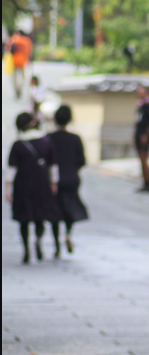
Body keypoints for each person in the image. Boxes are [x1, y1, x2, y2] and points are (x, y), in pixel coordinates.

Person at [6, 112, 61, 263]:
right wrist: (53, 183)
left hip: (22, 184)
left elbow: (11, 168)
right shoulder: (46, 142)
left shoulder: (18, 144)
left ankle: (26, 249)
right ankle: (38, 240)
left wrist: (7, 188)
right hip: (41, 183)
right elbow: (53, 165)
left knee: (24, 218)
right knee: (39, 216)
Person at [49, 105, 89, 254]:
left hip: (55, 180)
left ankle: (56, 244)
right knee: (70, 207)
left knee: (55, 211)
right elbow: (82, 160)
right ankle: (68, 233)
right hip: (72, 178)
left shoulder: (49, 138)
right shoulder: (75, 138)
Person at [133, 84, 149, 193]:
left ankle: (148, 183)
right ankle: (144, 182)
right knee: (141, 159)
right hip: (139, 135)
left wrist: (146, 135)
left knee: (144, 159)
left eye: (142, 92)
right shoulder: (140, 106)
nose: (140, 94)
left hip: (145, 136)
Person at [7, 30, 32, 100]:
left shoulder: (13, 39)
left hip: (14, 61)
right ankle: (20, 90)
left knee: (14, 78)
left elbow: (8, 49)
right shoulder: (27, 41)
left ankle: (16, 91)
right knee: (23, 77)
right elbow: (29, 52)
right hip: (23, 61)